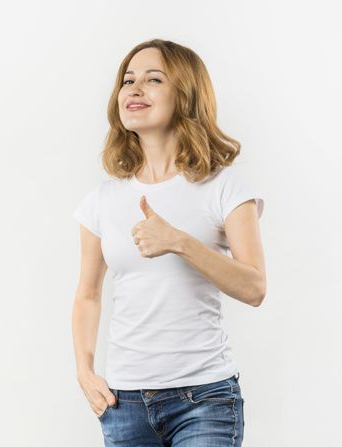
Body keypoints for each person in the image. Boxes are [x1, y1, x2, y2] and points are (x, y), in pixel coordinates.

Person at [71, 39, 266, 446]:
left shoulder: (224, 187)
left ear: (186, 94)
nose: (134, 89)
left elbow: (254, 287)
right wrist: (85, 371)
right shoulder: (102, 200)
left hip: (206, 399)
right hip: (123, 403)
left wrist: (179, 241)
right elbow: (88, 294)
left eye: (153, 79)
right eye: (128, 80)